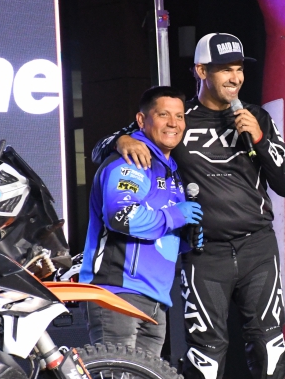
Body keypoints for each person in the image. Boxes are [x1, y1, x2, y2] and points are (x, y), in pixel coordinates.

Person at [91, 33, 285, 379]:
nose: (235, 77)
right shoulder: (178, 118)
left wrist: (259, 138)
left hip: (258, 248)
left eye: (240, 69)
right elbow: (105, 147)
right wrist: (121, 139)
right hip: (204, 254)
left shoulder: (256, 116)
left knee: (269, 348)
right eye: (225, 69)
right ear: (202, 72)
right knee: (204, 357)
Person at [81, 86, 202, 359]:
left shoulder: (171, 169)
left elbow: (159, 232)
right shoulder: (131, 160)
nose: (173, 123)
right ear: (141, 120)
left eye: (179, 116)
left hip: (155, 299)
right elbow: (121, 217)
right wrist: (175, 216)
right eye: (163, 114)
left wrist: (185, 238)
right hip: (118, 293)